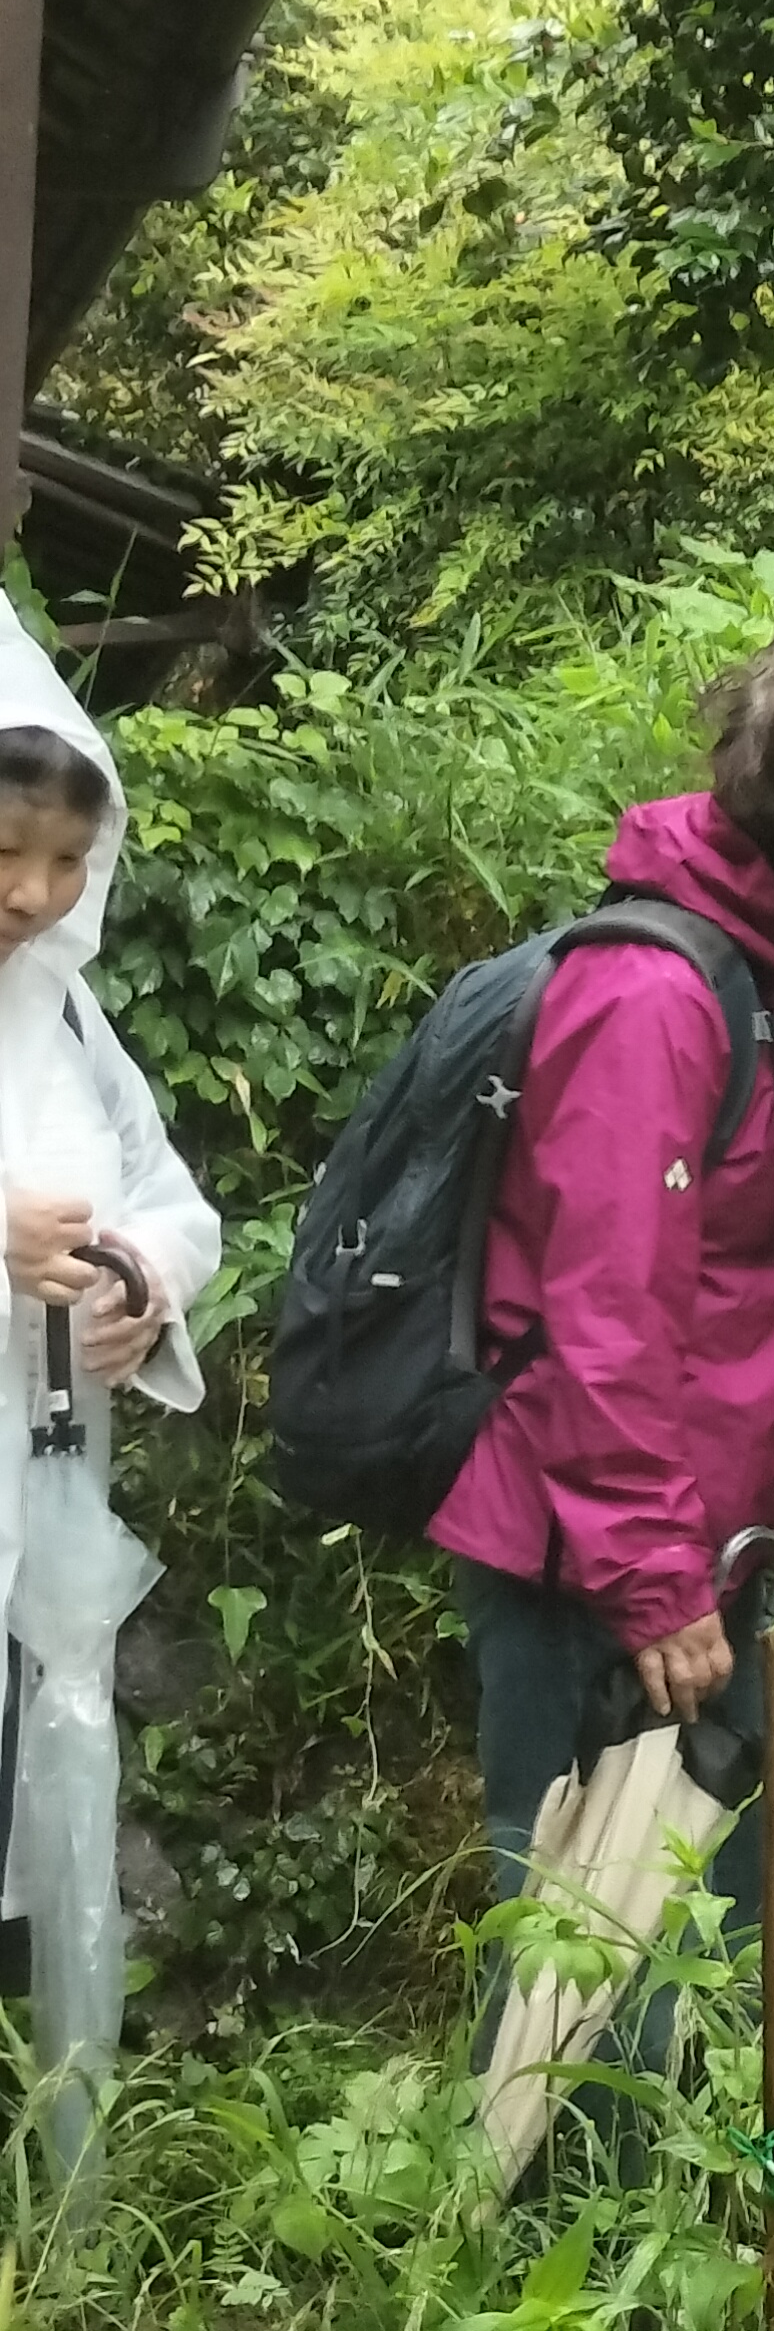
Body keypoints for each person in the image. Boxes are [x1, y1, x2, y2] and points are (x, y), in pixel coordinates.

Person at [430, 638, 774, 1961]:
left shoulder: (767, 965)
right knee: (597, 1971)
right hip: (601, 1571)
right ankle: (581, 2181)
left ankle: (733, 2175)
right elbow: (601, 1316)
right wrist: (654, 1582)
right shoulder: (655, 1002)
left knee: (742, 1934)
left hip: (702, 1549)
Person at [0, 614, 224, 1963]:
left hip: (43, 1512)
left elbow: (172, 1204)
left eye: (65, 864)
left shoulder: (66, 1018)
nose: (33, 895)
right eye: (6, 853)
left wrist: (139, 1282)